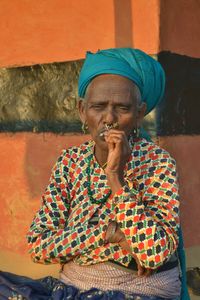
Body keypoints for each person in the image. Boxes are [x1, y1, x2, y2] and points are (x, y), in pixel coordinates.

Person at [0, 48, 188, 300]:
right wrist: (109, 233)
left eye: (122, 108)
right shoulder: (70, 162)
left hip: (139, 291)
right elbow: (39, 246)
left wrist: (115, 177)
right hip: (73, 287)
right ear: (81, 110)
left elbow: (153, 253)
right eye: (98, 106)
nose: (109, 119)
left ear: (140, 114)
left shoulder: (158, 163)